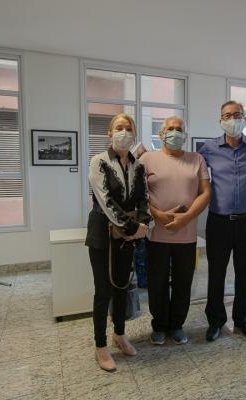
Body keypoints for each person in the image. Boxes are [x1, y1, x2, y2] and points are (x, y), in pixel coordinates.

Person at [198, 100, 246, 342]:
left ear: (245, 118)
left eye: (237, 114)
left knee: (245, 274)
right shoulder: (209, 149)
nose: (232, 119)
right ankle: (216, 321)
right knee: (216, 274)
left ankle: (242, 320)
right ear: (220, 120)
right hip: (218, 222)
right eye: (227, 115)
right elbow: (188, 169)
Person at [85, 113, 151, 372]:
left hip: (128, 234)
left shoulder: (138, 165)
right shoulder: (99, 161)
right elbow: (105, 200)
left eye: (129, 128)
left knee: (122, 285)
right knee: (103, 290)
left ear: (134, 133)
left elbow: (143, 199)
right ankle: (100, 345)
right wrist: (134, 227)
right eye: (119, 128)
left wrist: (143, 224)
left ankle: (120, 334)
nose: (124, 132)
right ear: (110, 133)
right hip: (103, 232)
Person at [140, 116, 211, 345]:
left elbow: (206, 192)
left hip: (187, 235)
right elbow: (138, 194)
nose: (175, 132)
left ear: (185, 135)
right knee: (157, 282)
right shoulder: (147, 159)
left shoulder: (196, 159)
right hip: (156, 234)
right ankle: (160, 325)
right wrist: (157, 215)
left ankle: (177, 325)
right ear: (161, 134)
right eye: (170, 128)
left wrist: (186, 218)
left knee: (183, 282)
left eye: (179, 129)